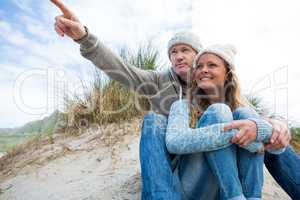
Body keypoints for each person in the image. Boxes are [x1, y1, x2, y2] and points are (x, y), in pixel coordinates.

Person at [50, 0, 300, 199]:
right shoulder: (158, 82)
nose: (178, 56)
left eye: (186, 51)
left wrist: (275, 125)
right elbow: (119, 68)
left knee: (265, 129)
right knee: (154, 121)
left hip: (226, 171)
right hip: (184, 165)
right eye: (173, 52)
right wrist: (84, 36)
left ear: (200, 55)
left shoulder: (224, 90)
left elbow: (253, 113)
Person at [165, 44, 284, 200]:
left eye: (212, 65)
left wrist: (258, 128)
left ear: (228, 74)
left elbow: (276, 149)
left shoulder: (243, 109)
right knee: (219, 112)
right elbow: (174, 142)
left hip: (222, 191)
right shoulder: (182, 105)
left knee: (245, 115)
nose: (203, 70)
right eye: (199, 66)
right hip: (193, 188)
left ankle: (253, 197)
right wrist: (246, 138)